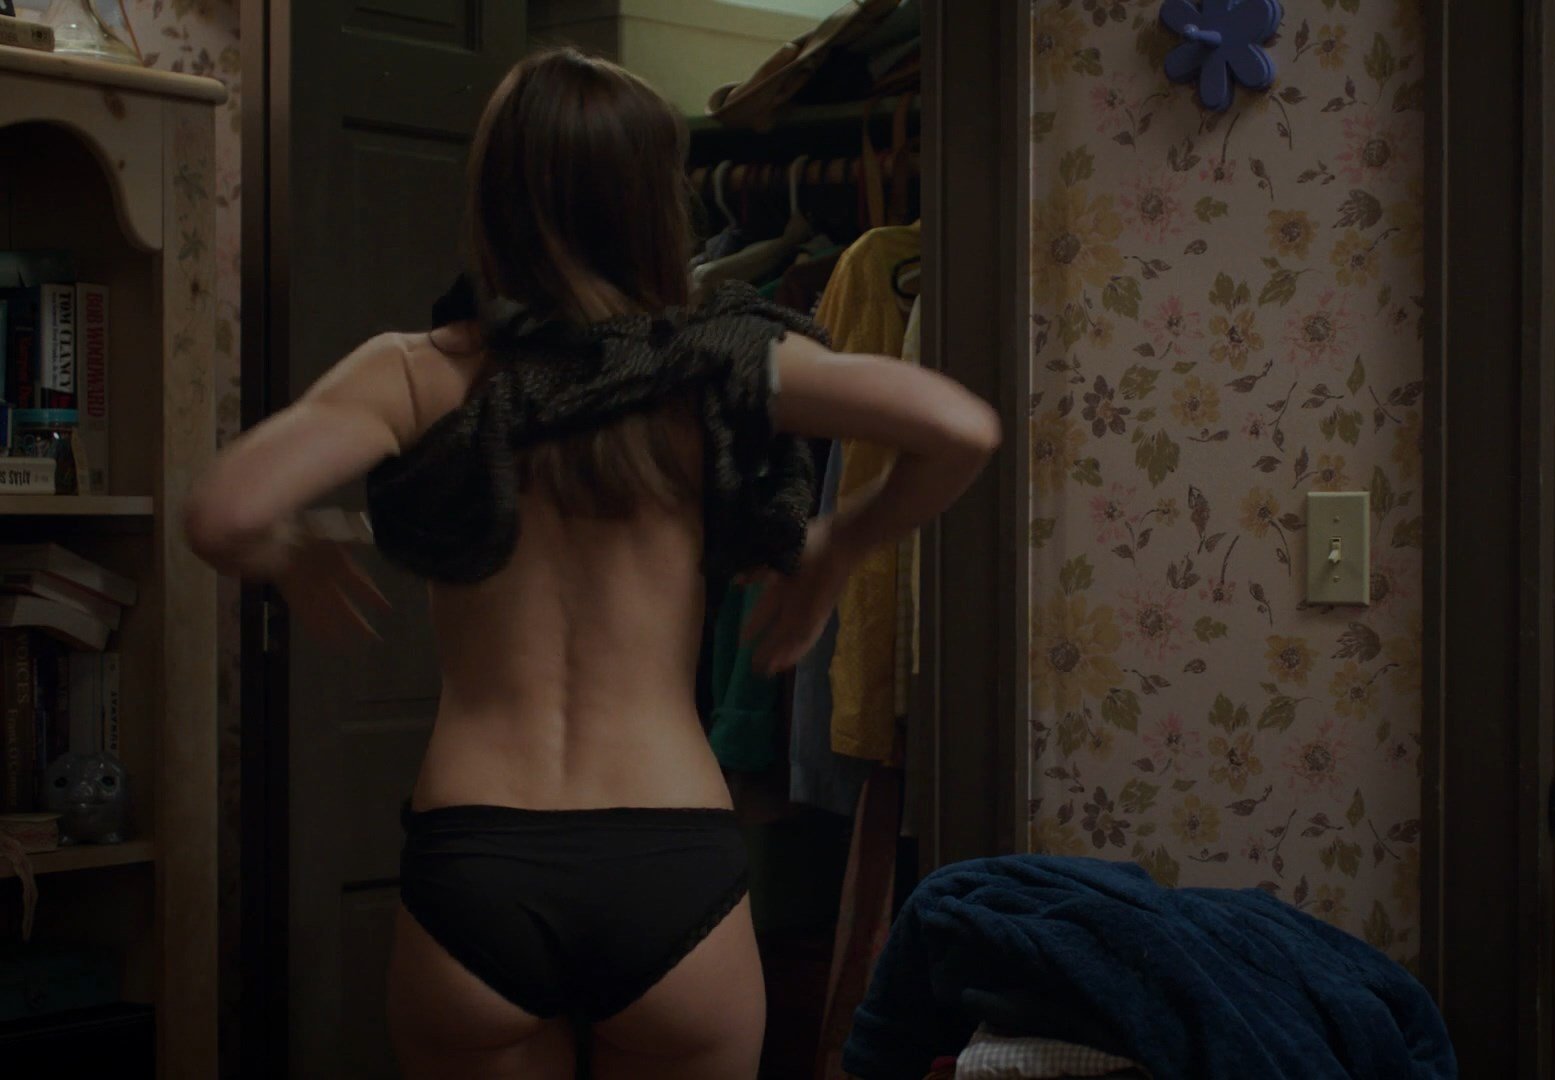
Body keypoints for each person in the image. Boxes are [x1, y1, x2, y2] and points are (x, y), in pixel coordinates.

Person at [183, 47, 999, 1080]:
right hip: (668, 849)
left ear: (493, 194)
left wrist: (290, 550)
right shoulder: (714, 361)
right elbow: (960, 429)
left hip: (479, 852)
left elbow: (222, 511)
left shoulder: (415, 372)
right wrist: (839, 545)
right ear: (654, 198)